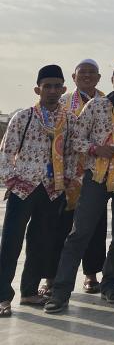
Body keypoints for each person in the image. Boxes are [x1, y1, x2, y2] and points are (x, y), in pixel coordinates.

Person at [45, 61, 114, 314]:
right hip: (98, 175)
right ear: (112, 79)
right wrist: (96, 149)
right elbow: (75, 139)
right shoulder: (96, 105)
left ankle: (110, 285)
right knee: (79, 233)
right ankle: (60, 292)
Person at [0, 65, 74, 317]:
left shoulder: (68, 119)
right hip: (24, 187)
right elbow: (5, 153)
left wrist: (68, 180)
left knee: (41, 241)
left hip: (52, 189)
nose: (52, 91)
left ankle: (29, 291)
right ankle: (1, 296)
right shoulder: (24, 117)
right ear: (38, 89)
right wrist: (12, 181)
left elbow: (71, 154)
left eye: (57, 86)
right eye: (47, 86)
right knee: (11, 241)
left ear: (64, 89)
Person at [52, 59, 106, 297]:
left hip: (97, 172)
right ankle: (51, 277)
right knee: (59, 227)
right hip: (67, 172)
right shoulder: (62, 102)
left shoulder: (107, 102)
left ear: (99, 77)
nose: (86, 76)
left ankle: (91, 274)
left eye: (91, 73)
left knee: (95, 226)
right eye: (81, 73)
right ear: (73, 78)